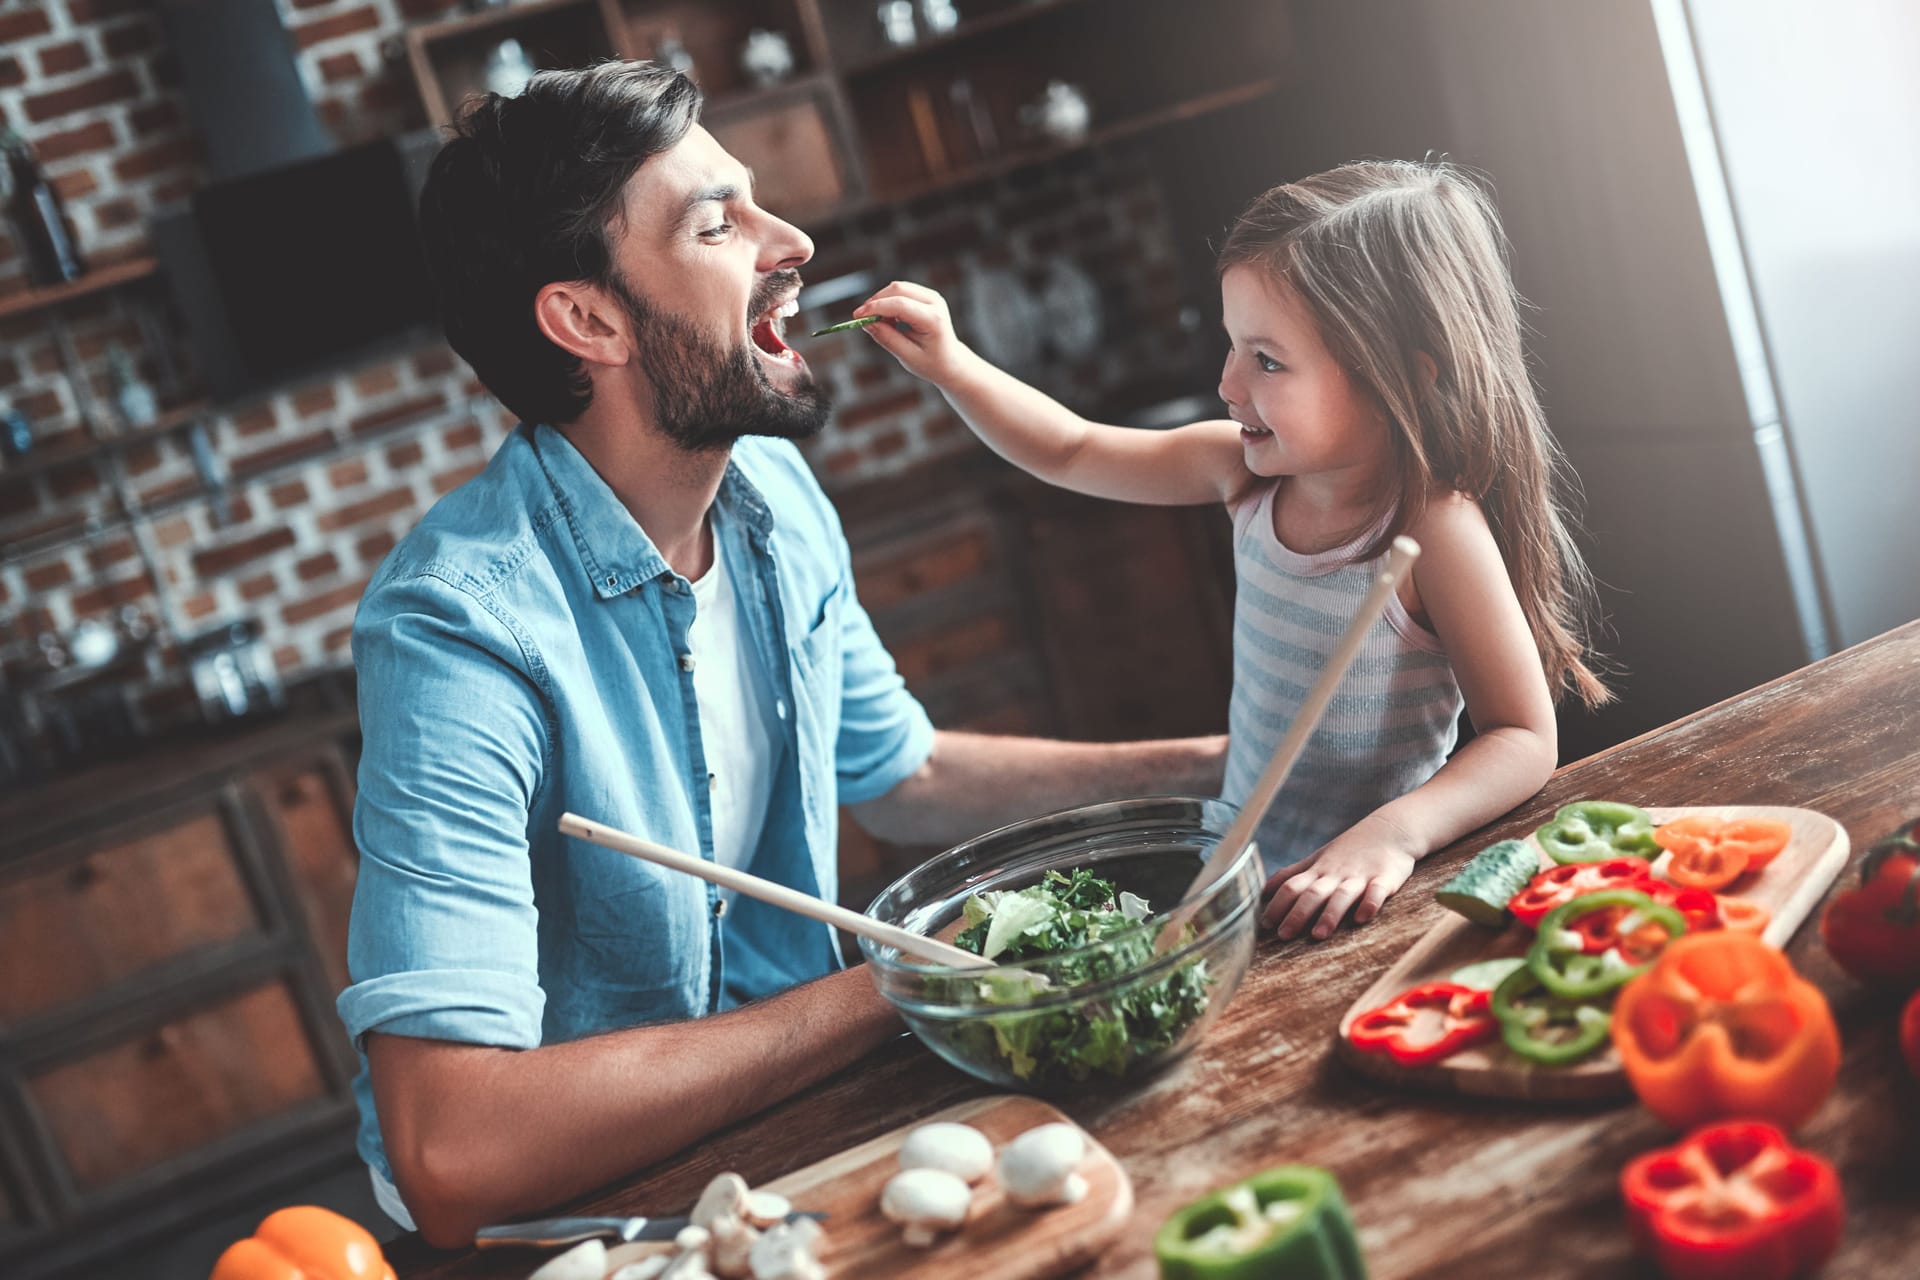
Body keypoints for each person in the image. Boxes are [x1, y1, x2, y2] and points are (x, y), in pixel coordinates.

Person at [342, 61, 1226, 1247]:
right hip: (569, 1241)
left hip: (784, 1142)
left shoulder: (769, 493)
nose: (792, 240)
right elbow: (455, 1148)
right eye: (719, 223)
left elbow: (900, 772)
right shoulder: (460, 627)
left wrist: (1234, 765)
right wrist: (898, 980)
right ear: (588, 319)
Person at [851, 159, 1611, 948]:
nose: (1227, 383)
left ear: (1402, 382)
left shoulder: (1432, 528)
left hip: (1366, 905)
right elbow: (1072, 450)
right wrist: (952, 365)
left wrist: (1393, 835)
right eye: (1232, 346)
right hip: (1244, 893)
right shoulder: (1241, 473)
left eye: (1267, 360)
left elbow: (1523, 738)